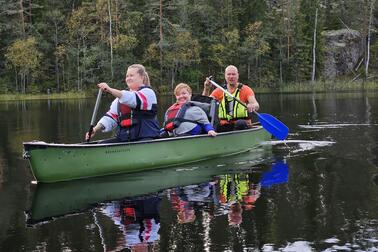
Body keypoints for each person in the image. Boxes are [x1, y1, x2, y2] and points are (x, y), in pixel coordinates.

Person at [85, 64, 160, 142]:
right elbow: (110, 117)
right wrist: (95, 129)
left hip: (146, 137)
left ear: (142, 77)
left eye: (131, 75)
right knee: (101, 144)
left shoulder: (148, 93)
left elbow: (132, 98)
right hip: (125, 138)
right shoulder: (119, 100)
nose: (128, 78)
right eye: (127, 76)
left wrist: (109, 89)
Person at [202, 65, 260, 132]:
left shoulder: (246, 89)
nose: (231, 77)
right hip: (225, 125)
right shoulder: (219, 90)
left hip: (242, 125)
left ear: (238, 76)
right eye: (229, 74)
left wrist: (252, 105)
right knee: (210, 125)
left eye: (233, 74)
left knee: (240, 123)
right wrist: (206, 89)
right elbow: (205, 103)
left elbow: (256, 104)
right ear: (225, 76)